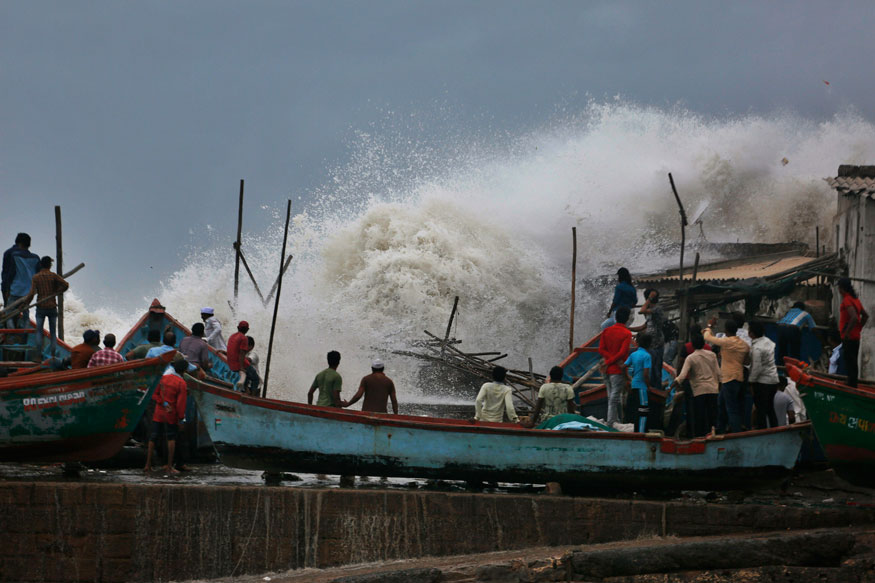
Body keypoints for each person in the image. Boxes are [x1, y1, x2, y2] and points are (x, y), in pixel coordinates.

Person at [704, 317, 751, 433]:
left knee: (731, 408)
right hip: (739, 377)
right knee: (721, 404)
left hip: (729, 378)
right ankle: (720, 430)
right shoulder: (744, 344)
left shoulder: (726, 341)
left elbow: (707, 337)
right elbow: (747, 362)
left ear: (726, 330)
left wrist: (709, 327)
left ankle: (736, 434)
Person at [669, 333, 720, 437]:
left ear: (693, 345)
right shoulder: (712, 355)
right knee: (712, 417)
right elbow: (719, 373)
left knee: (699, 417)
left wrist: (670, 387)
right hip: (713, 390)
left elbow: (682, 376)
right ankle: (712, 436)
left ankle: (699, 439)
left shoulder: (691, 358)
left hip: (699, 391)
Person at [144, 358, 189, 474]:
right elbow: (181, 404)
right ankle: (169, 466)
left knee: (153, 437)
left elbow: (154, 395)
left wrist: (163, 403)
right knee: (171, 438)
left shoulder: (162, 379)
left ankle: (148, 465)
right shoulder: (181, 383)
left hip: (158, 413)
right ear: (183, 371)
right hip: (171, 414)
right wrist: (181, 419)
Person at [22, 256, 68, 357]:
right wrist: (57, 292)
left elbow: (31, 294)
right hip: (52, 307)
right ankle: (52, 355)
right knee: (53, 333)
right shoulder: (53, 276)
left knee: (39, 332)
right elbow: (65, 285)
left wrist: (26, 304)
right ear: (50, 265)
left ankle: (38, 356)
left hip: (41, 307)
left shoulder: (36, 277)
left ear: (41, 265)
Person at [598, 305, 633, 426]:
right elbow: (623, 353)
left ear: (616, 318)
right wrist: (611, 361)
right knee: (614, 397)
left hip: (605, 370)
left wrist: (607, 361)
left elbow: (601, 349)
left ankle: (615, 420)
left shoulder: (607, 331)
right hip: (617, 370)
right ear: (627, 319)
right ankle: (611, 422)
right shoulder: (627, 333)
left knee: (611, 397)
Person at [2, 233, 40, 329]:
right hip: (28, 292)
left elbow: (9, 274)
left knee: (9, 312)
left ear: (18, 243)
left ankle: (11, 333)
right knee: (25, 312)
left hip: (15, 290)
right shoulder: (36, 258)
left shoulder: (13, 255)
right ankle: (25, 333)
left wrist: (6, 289)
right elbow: (38, 274)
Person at [748, 321, 779, 429]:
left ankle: (763, 432)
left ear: (751, 333)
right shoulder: (768, 342)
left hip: (762, 382)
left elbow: (757, 367)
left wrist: (751, 381)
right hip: (773, 380)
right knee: (770, 408)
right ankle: (775, 430)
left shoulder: (757, 348)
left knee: (761, 410)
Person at [838, 277, 868, 388]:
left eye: (839, 288)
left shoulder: (847, 300)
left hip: (849, 337)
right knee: (853, 361)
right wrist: (859, 328)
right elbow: (865, 316)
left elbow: (854, 317)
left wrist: (847, 333)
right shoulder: (856, 300)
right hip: (856, 337)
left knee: (850, 361)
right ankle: (852, 382)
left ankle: (851, 384)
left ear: (842, 288)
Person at [637, 288, 666, 390]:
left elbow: (641, 311)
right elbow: (644, 327)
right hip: (649, 344)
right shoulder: (649, 313)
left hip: (657, 343)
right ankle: (652, 388)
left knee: (656, 369)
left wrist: (649, 298)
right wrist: (627, 328)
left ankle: (657, 390)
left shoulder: (657, 309)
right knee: (650, 368)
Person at [624, 333, 652, 433]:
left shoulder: (633, 354)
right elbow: (645, 374)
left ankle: (635, 432)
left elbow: (624, 366)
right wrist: (649, 386)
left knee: (635, 410)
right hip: (642, 387)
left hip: (633, 385)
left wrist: (628, 378)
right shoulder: (647, 356)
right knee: (643, 411)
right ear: (649, 344)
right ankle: (641, 433)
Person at [226, 321, 253, 392]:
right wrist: (241, 368)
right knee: (255, 378)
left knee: (248, 374)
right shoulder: (244, 338)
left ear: (238, 328)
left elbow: (231, 350)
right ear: (247, 329)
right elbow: (241, 354)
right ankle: (252, 395)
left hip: (230, 365)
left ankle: (244, 388)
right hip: (238, 365)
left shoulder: (232, 336)